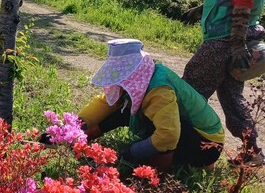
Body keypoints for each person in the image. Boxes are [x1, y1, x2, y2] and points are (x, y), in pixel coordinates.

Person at [182, 0, 265, 165]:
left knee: (190, 88)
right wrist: (200, 9)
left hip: (225, 38)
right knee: (231, 96)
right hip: (244, 31)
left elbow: (242, 3)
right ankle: (251, 153)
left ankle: (176, 147)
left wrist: (237, 44)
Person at [77, 39, 224, 174]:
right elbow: (108, 102)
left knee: (160, 140)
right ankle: (83, 138)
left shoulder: (160, 90)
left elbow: (168, 135)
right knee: (124, 106)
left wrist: (133, 152)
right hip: (184, 131)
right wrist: (77, 125)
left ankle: (161, 174)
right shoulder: (142, 79)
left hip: (205, 143)